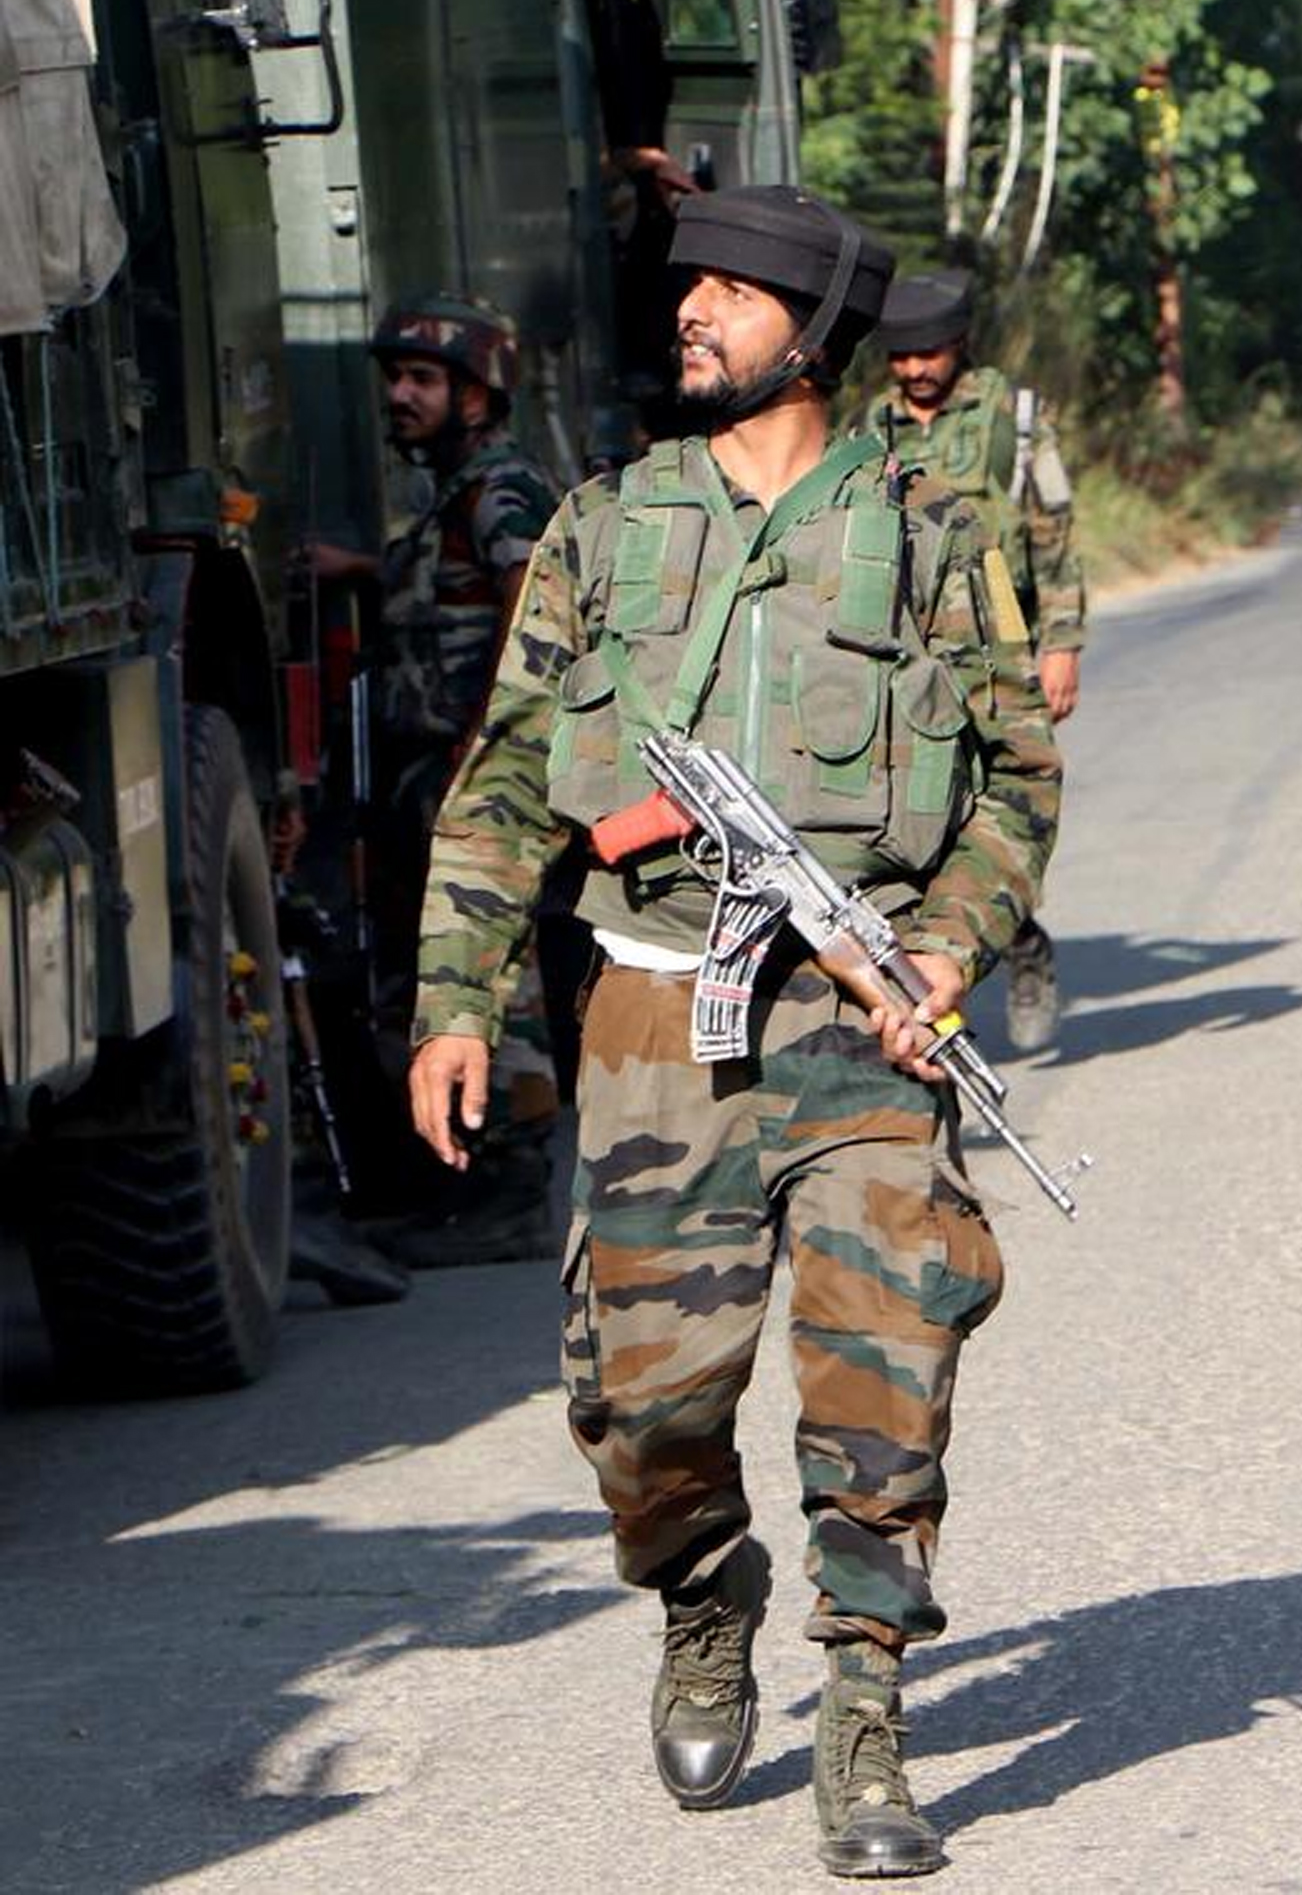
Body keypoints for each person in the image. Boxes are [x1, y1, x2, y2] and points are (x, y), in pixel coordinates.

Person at [405, 187, 1062, 1879]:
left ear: (810, 332)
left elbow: (1014, 779)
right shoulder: (606, 525)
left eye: (731, 289)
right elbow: (501, 781)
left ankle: (865, 1720)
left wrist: (951, 940)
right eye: (690, 283)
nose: (691, 308)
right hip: (650, 1014)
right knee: (647, 1406)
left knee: (886, 1373)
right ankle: (705, 1593)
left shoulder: (937, 524)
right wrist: (454, 1002)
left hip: (864, 1029)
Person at [296, 294, 564, 1263]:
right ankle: (460, 1176)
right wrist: (365, 569)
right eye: (394, 380)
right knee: (440, 968)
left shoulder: (500, 490)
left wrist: (493, 744)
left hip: (478, 770)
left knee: (499, 967)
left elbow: (535, 605)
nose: (399, 396)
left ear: (478, 394)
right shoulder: (455, 492)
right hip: (434, 771)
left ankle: (518, 1189)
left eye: (422, 380)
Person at [860, 269, 1086, 1053]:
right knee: (924, 817)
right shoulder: (873, 426)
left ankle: (1023, 950)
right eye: (901, 356)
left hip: (1000, 650)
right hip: (911, 653)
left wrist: (1062, 643)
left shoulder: (1016, 421)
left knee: (996, 813)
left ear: (959, 344)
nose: (915, 369)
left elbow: (1053, 532)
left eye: (928, 352)